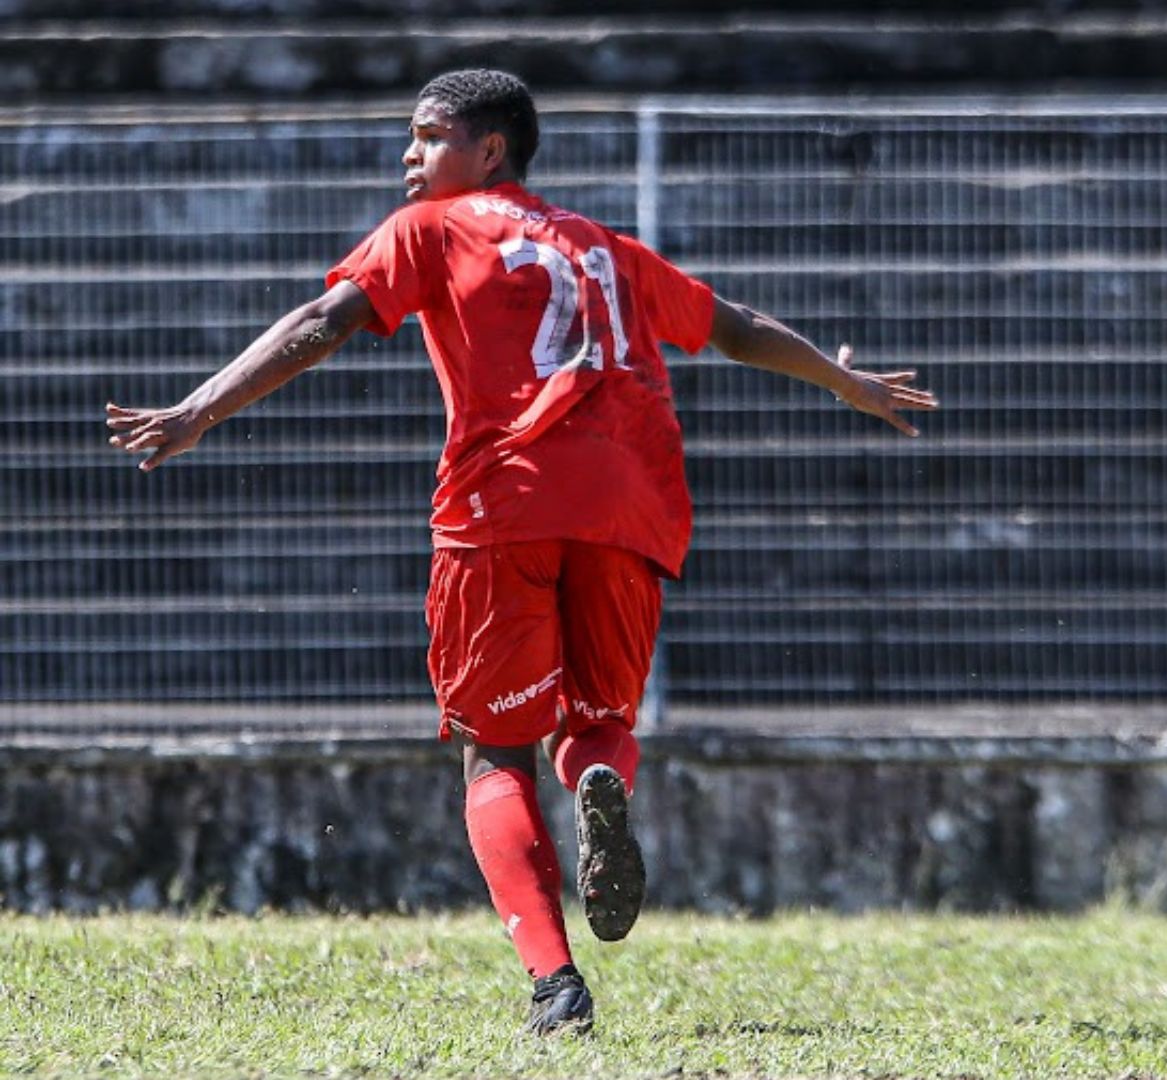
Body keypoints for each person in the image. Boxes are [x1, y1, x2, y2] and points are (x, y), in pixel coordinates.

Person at [105, 68, 937, 1036]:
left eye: (426, 135)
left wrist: (199, 408)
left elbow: (320, 321)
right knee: (596, 721)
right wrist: (847, 384)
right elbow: (736, 328)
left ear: (487, 148)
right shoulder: (602, 245)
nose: (408, 156)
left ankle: (556, 987)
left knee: (493, 750)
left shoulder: (427, 230)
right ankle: (602, 781)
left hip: (505, 506)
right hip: (632, 505)